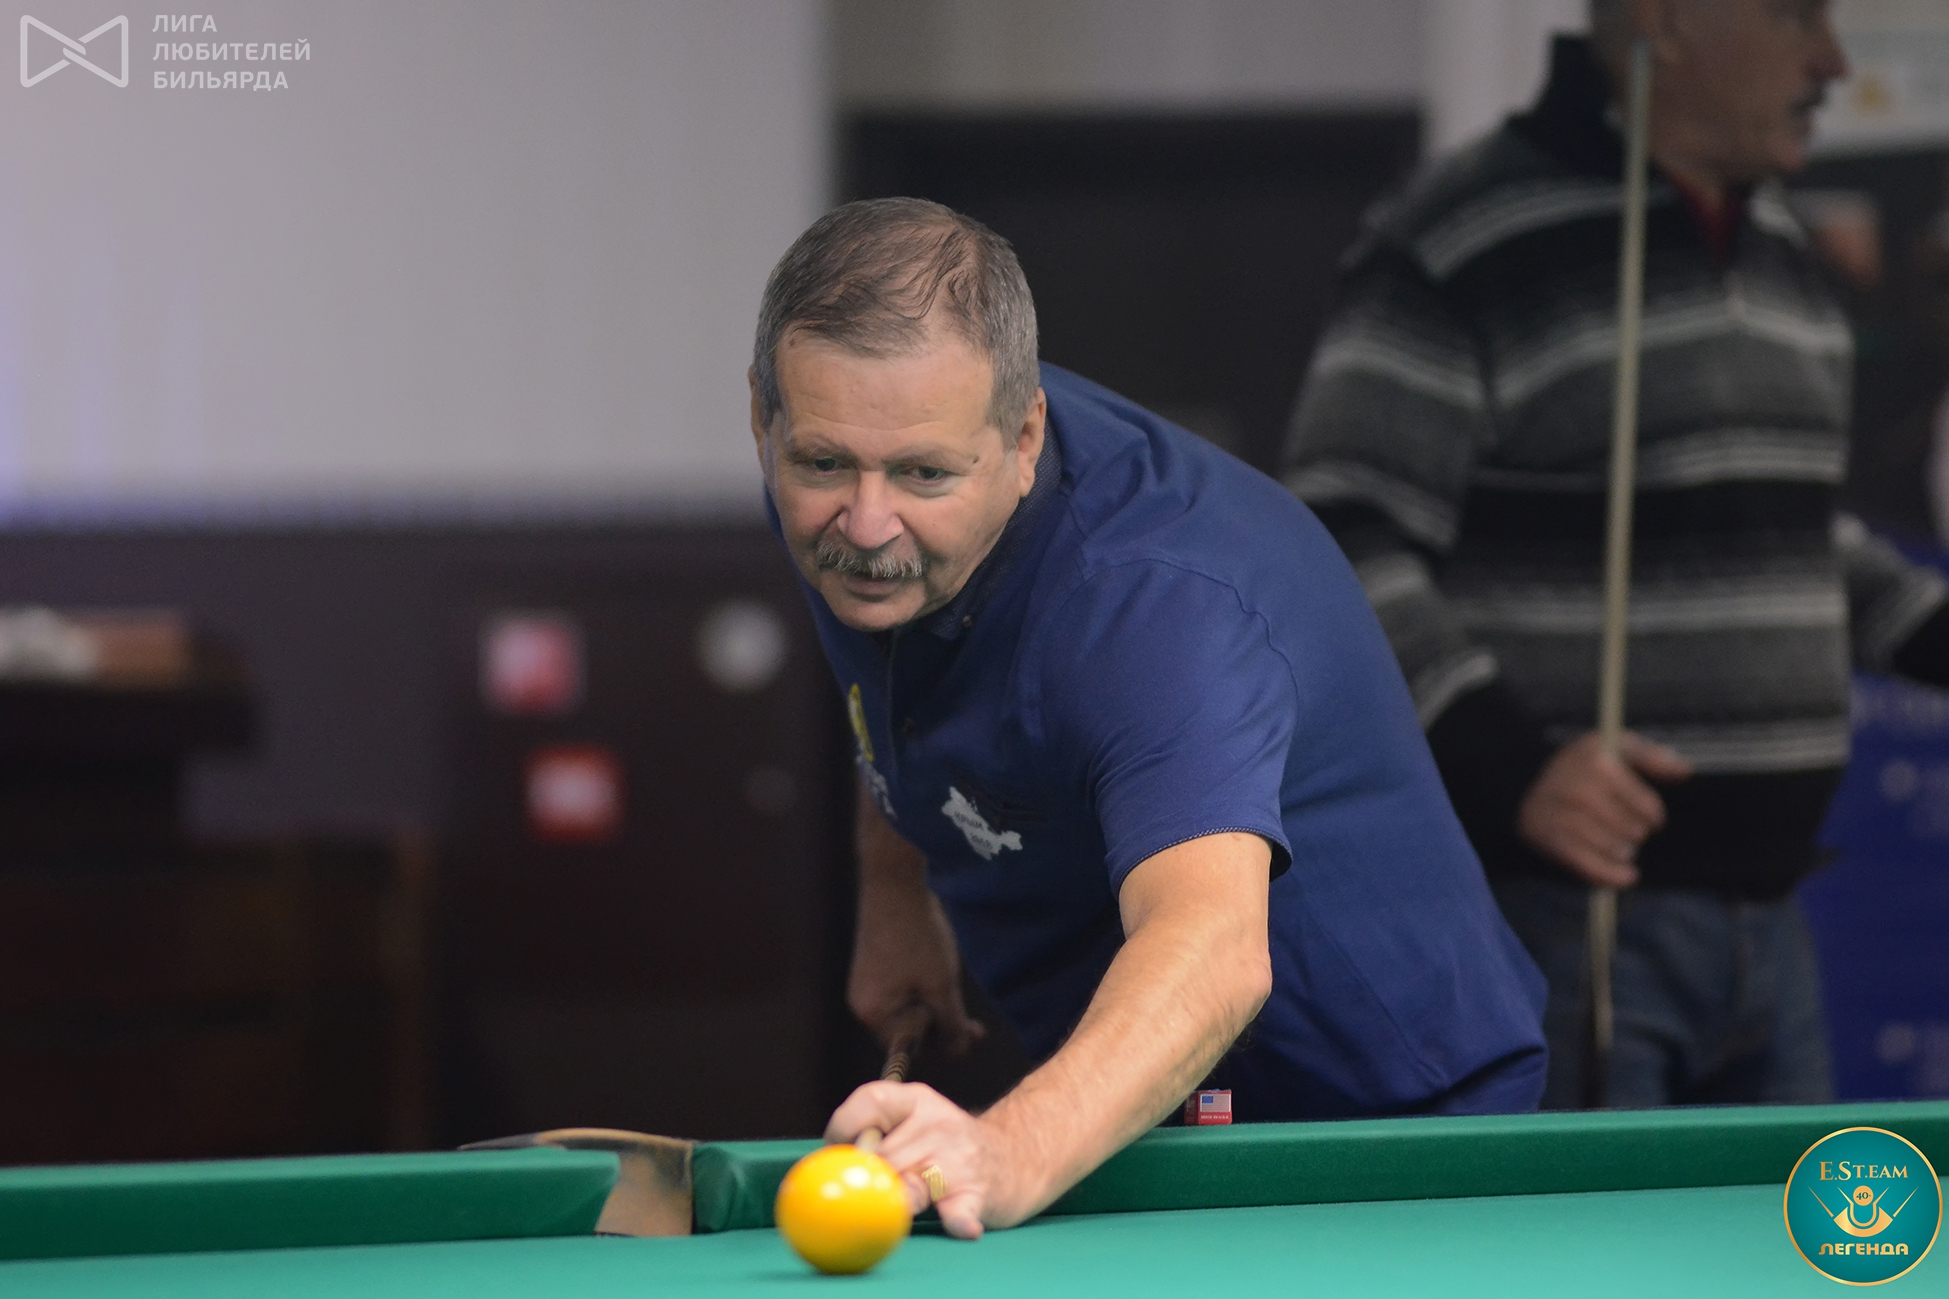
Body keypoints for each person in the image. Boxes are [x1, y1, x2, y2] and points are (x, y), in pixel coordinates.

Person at [749, 198, 1547, 1238]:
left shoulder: (1155, 610)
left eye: (922, 474)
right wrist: (896, 887)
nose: (865, 523)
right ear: (765, 420)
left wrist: (1004, 1148)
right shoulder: (856, 471)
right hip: (1136, 1111)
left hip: (1385, 1125)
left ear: (1022, 437)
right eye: (823, 464)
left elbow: (1211, 948)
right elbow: (890, 670)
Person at [1283, 0, 1949, 1111]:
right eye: (1796, 17)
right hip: (1563, 921)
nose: (1832, 62)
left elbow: (1788, 537)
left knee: (1794, 1232)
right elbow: (1340, 534)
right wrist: (1512, 767)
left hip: (1772, 922)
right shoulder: (1463, 235)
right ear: (1670, 23)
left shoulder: (1779, 248)